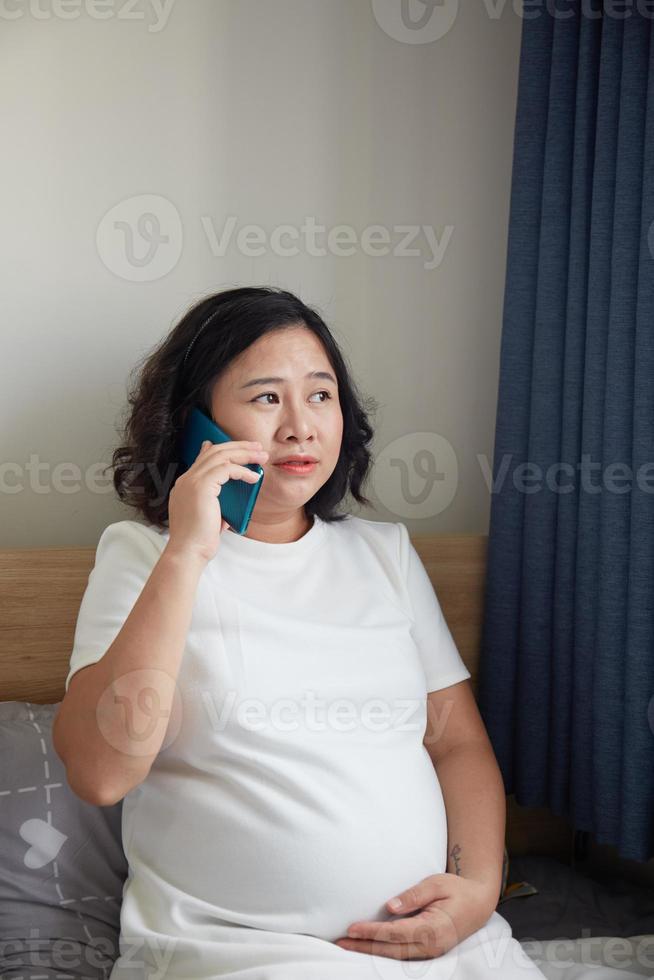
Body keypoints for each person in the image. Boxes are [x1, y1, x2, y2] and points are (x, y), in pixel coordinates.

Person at [53, 286, 547, 979]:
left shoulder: (385, 553)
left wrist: (474, 892)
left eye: (320, 395)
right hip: (239, 952)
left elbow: (456, 741)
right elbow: (103, 772)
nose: (300, 427)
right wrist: (190, 551)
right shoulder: (140, 557)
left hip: (437, 944)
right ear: (194, 423)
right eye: (265, 399)